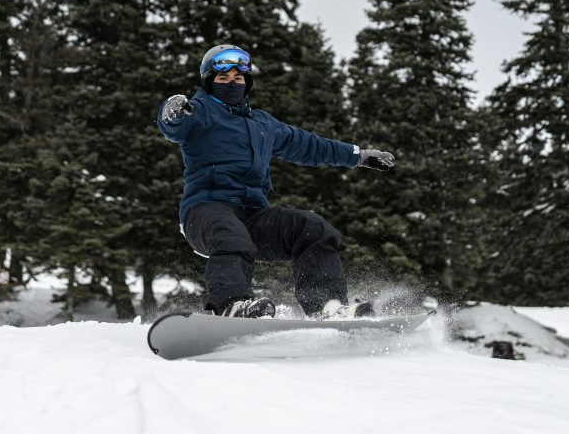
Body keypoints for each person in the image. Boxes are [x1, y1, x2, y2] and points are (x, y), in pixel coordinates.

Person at [157, 44, 396, 319]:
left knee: (312, 227)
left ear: (247, 83)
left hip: (252, 216)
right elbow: (173, 125)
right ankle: (232, 305)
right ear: (210, 82)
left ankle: (327, 307)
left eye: (238, 78)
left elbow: (310, 146)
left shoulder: (262, 124)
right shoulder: (199, 112)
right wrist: (171, 111)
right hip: (205, 212)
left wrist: (358, 156)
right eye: (223, 78)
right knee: (229, 230)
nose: (232, 83)